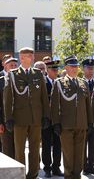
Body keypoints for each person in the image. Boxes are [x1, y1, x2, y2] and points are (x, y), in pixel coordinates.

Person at [4, 47, 51, 179]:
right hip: (19, 118)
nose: (32, 58)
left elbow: (44, 98)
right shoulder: (13, 74)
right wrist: (8, 118)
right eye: (29, 56)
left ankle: (33, 174)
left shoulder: (38, 74)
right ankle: (21, 174)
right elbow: (7, 99)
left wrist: (46, 116)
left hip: (36, 118)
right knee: (20, 150)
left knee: (35, 149)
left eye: (32, 56)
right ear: (22, 58)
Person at [51, 55, 93, 179]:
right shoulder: (59, 83)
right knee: (68, 154)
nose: (75, 69)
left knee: (79, 154)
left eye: (76, 67)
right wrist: (56, 123)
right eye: (72, 67)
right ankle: (69, 176)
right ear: (66, 68)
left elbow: (88, 106)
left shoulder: (83, 83)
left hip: (81, 124)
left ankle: (77, 176)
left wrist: (90, 123)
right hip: (66, 125)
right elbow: (54, 105)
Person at [41, 60, 63, 178]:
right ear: (47, 70)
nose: (56, 71)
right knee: (46, 143)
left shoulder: (60, 82)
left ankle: (56, 167)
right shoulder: (42, 83)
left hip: (58, 118)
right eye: (53, 69)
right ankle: (47, 168)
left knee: (58, 144)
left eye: (57, 69)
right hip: (47, 118)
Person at [81, 58, 94, 175]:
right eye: (88, 68)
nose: (90, 70)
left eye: (92, 68)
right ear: (83, 69)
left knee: (93, 144)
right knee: (83, 143)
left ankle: (91, 165)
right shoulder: (80, 82)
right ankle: (83, 165)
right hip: (83, 118)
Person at [0, 57, 18, 158]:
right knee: (7, 149)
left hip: (19, 121)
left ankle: (19, 173)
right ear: (5, 67)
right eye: (11, 65)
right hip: (5, 122)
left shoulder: (22, 81)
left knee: (19, 149)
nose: (14, 67)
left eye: (15, 65)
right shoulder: (1, 81)